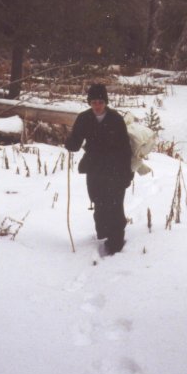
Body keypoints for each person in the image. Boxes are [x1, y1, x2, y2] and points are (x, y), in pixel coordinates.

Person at [65, 83, 133, 255]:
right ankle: (103, 235)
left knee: (115, 204)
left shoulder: (116, 119)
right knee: (98, 201)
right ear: (89, 102)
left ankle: (116, 242)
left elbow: (125, 149)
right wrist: (70, 143)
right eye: (94, 102)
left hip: (115, 167)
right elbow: (76, 142)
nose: (97, 106)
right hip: (94, 167)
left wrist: (127, 173)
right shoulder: (84, 118)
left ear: (105, 102)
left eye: (100, 102)